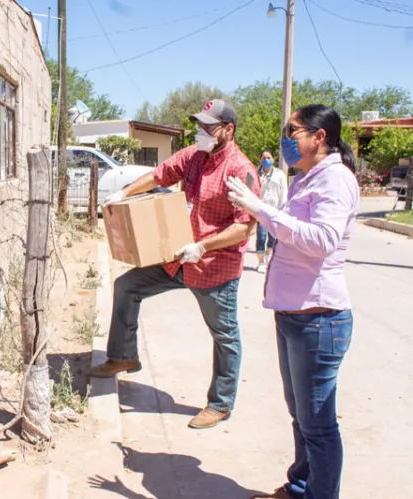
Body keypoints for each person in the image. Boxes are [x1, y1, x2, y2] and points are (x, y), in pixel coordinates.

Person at [89, 99, 261, 429]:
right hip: (180, 258)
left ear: (228, 130)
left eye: (208, 127)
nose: (201, 132)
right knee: (127, 286)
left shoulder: (241, 170)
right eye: (199, 125)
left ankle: (220, 403)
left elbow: (245, 226)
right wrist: (123, 194)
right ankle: (123, 356)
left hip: (214, 267)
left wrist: (203, 245)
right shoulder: (195, 157)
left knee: (224, 336)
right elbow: (159, 174)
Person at [226, 104, 359, 499]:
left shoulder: (335, 180)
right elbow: (291, 233)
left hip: (319, 321)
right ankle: (300, 487)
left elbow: (321, 240)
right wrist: (257, 211)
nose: (286, 140)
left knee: (318, 426)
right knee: (301, 419)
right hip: (293, 317)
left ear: (320, 137)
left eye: (294, 131)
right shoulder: (306, 178)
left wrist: (261, 209)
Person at [255, 150, 288, 273]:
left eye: (268, 157)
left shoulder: (279, 174)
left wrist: (282, 209)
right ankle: (260, 262)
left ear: (273, 159)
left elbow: (284, 192)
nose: (266, 160)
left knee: (273, 237)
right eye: (263, 158)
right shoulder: (257, 175)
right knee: (261, 236)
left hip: (275, 211)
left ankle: (268, 256)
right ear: (260, 160)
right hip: (261, 211)